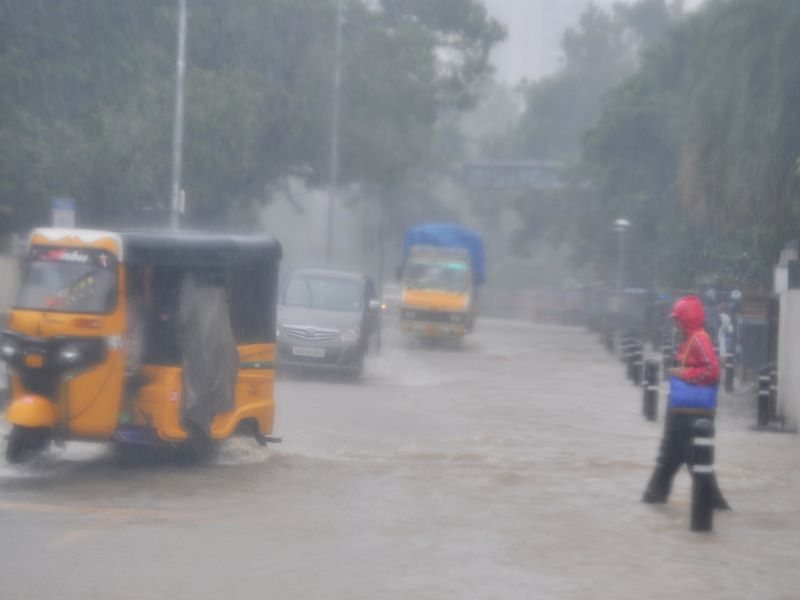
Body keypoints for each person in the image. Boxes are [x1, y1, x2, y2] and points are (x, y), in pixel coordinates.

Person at [642, 295, 730, 509]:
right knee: (682, 461)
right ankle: (655, 502)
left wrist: (684, 373)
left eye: (678, 319)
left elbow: (712, 371)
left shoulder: (699, 339)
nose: (675, 323)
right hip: (682, 413)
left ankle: (655, 501)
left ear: (687, 319)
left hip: (689, 415)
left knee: (686, 461)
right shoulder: (691, 338)